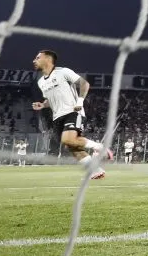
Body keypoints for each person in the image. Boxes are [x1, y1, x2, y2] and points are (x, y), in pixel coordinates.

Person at [30, 50, 112, 179]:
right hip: (57, 117)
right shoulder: (41, 82)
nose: (34, 60)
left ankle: (99, 147)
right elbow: (51, 100)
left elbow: (84, 84)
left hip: (73, 111)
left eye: (37, 58)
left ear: (48, 59)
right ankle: (95, 170)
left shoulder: (63, 72)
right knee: (71, 145)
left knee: (68, 139)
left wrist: (80, 101)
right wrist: (43, 105)